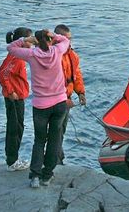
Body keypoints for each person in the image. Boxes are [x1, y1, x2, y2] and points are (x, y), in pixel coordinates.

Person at [7, 28, 71, 188]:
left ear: (36, 41)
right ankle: (47, 175)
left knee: (39, 140)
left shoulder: (31, 55)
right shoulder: (57, 51)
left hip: (41, 105)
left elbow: (10, 48)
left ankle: (35, 176)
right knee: (55, 139)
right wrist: (54, 36)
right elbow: (66, 41)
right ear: (49, 40)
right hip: (60, 103)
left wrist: (25, 40)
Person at [0, 27, 33, 171]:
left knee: (18, 126)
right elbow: (2, 75)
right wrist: (11, 91)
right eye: (30, 39)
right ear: (22, 41)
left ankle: (13, 158)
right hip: (14, 98)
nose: (32, 43)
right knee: (15, 128)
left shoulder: (18, 57)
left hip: (18, 97)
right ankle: (12, 161)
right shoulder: (16, 58)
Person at [54, 24, 86, 165]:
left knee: (62, 129)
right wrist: (63, 99)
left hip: (67, 98)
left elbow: (76, 75)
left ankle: (58, 156)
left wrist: (80, 92)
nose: (69, 42)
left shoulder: (72, 55)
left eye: (70, 39)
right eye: (66, 39)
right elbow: (53, 81)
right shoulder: (54, 56)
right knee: (55, 130)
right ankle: (55, 159)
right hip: (55, 100)